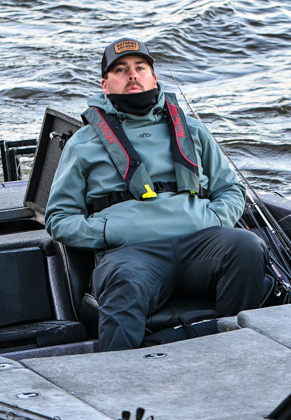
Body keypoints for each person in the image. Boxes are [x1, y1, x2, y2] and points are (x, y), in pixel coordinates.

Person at [45, 39, 270, 351]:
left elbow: (231, 189)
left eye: (140, 68)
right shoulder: (82, 144)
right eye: (121, 70)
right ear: (105, 84)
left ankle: (238, 348)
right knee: (124, 281)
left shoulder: (193, 130)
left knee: (247, 246)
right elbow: (58, 219)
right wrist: (109, 231)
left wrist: (215, 218)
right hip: (131, 256)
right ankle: (122, 372)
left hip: (200, 244)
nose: (132, 75)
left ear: (153, 78)